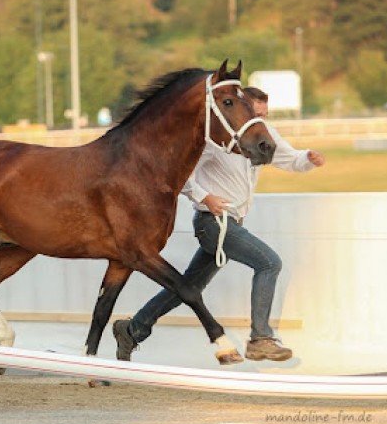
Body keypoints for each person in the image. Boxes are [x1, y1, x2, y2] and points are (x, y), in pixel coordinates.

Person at [113, 86, 325, 364]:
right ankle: (261, 339)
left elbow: (291, 159)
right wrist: (205, 197)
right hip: (213, 224)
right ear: (242, 110)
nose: (259, 122)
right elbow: (179, 174)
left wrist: (308, 158)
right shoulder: (215, 143)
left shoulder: (261, 137)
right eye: (255, 114)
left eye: (264, 116)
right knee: (269, 263)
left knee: (187, 288)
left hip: (229, 224)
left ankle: (132, 330)